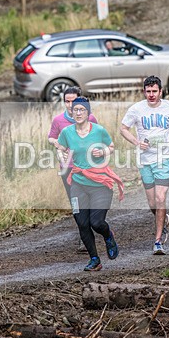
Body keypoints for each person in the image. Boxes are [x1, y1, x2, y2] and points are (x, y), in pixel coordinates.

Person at [120, 76, 169, 255]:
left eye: (154, 91)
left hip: (164, 158)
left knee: (160, 198)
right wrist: (136, 142)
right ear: (144, 92)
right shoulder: (136, 109)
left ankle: (158, 241)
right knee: (152, 203)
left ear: (161, 91)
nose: (151, 95)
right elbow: (123, 128)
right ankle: (163, 218)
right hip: (145, 160)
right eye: (148, 91)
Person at [54, 97, 124, 271]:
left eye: (82, 110)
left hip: (100, 183)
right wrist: (60, 156)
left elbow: (112, 146)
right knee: (82, 223)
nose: (78, 113)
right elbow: (60, 148)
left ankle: (108, 235)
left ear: (88, 112)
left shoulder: (99, 131)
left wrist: (103, 151)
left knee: (96, 223)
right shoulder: (67, 132)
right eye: (75, 110)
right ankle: (94, 259)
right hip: (78, 183)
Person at [48, 87, 99, 253]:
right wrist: (57, 144)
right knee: (76, 205)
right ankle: (84, 238)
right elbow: (51, 137)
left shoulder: (90, 118)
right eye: (67, 101)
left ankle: (94, 229)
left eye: (74, 101)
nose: (70, 105)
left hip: (86, 168)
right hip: (67, 169)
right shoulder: (58, 120)